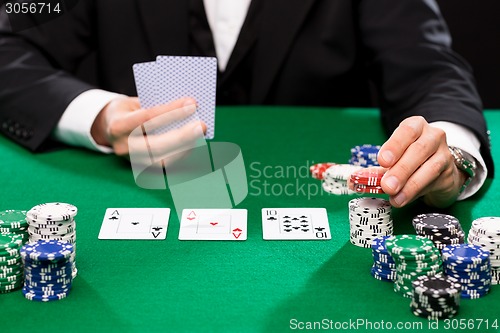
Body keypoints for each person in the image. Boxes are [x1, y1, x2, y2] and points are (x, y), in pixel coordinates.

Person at [0, 0, 494, 208]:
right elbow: (7, 45)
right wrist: (101, 117)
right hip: (143, 192)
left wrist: (449, 152)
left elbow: (429, 66)